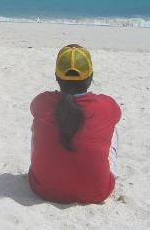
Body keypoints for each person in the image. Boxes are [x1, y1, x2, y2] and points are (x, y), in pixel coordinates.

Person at [28, 44, 121, 204]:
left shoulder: (42, 102)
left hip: (44, 189)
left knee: (37, 124)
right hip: (96, 192)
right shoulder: (107, 105)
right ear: (90, 76)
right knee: (113, 127)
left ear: (56, 77)